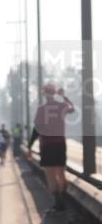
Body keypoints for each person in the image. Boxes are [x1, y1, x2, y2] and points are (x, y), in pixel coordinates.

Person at [27, 83, 76, 213]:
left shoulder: (41, 109)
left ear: (44, 94)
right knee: (61, 174)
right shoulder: (62, 106)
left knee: (50, 176)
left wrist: (30, 146)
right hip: (60, 144)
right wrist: (64, 96)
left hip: (47, 145)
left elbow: (36, 129)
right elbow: (73, 108)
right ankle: (63, 201)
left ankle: (57, 204)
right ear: (54, 93)